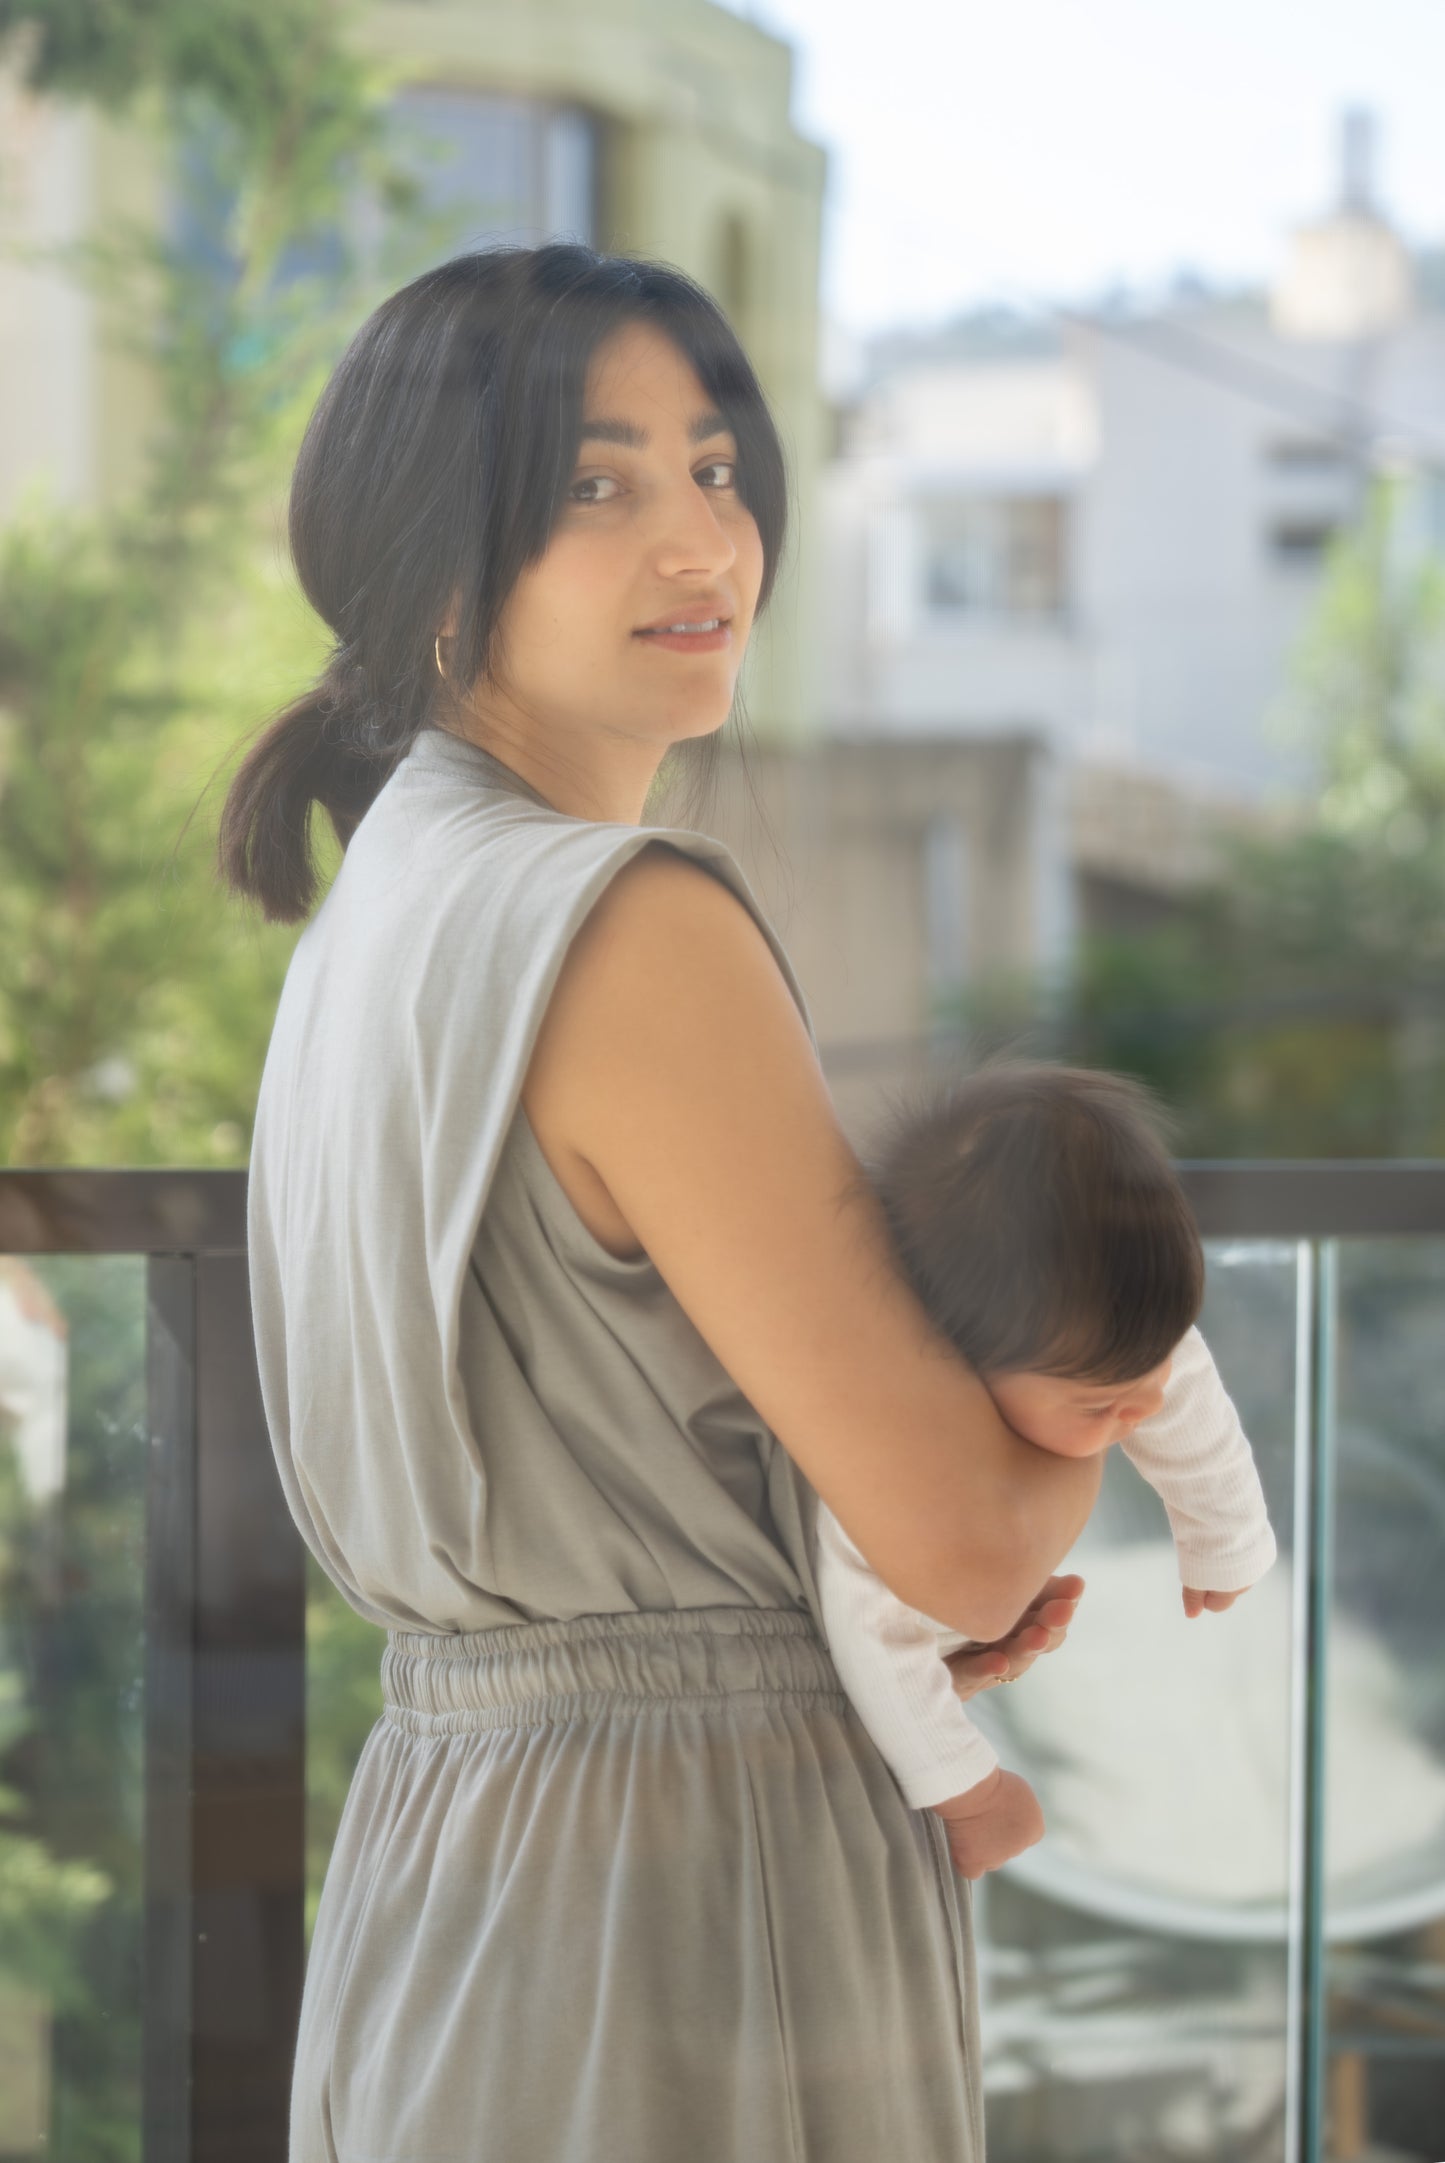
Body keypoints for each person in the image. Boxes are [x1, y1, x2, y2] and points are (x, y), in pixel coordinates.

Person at [220, 242, 1105, 2162]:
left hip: (450, 1872)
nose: (702, 540)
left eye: (716, 467)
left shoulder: (371, 917)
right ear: (435, 553)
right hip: (691, 1892)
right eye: (597, 483)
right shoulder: (626, 927)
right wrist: (1083, 1420)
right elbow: (962, 1530)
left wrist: (808, 1573)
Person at [810, 1063, 1278, 1881]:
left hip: (953, 1641)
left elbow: (1187, 1389)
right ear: (954, 1356)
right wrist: (970, 1793)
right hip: (833, 1674)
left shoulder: (1094, 1335)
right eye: (1097, 1402)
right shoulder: (887, 1455)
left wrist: (1223, 1530)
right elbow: (866, 1632)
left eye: (1148, 1376)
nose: (1138, 1412)